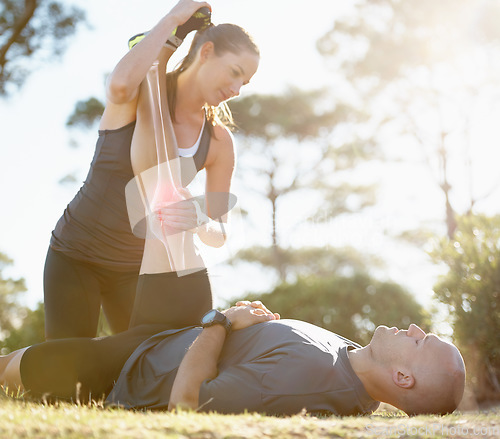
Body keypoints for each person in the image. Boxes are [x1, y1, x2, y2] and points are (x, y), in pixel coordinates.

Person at [43, 0, 260, 338]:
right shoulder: (142, 88)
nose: (235, 90)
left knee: (136, 375)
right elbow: (117, 87)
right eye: (234, 72)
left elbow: (220, 231)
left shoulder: (218, 141)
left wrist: (199, 218)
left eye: (244, 83)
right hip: (77, 252)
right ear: (206, 52)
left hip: (136, 270)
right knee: (64, 381)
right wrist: (171, 20)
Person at [0, 301, 465, 416]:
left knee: (5, 371)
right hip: (152, 342)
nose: (415, 329)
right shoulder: (352, 361)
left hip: (120, 372)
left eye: (422, 341)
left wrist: (219, 322)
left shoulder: (307, 381)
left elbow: (187, 403)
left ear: (402, 377)